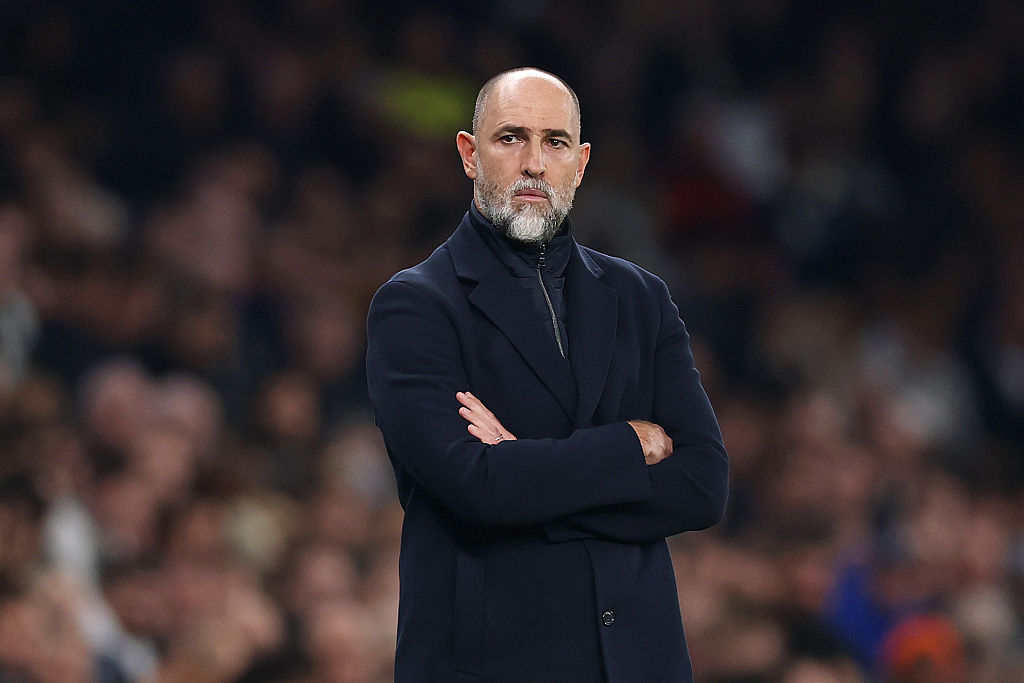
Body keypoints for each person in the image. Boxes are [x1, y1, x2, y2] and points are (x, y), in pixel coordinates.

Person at [366, 67, 729, 683]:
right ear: (468, 154)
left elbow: (703, 484)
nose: (534, 163)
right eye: (511, 138)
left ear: (581, 163)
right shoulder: (416, 305)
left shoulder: (641, 298)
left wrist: (522, 469)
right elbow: (474, 486)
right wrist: (625, 448)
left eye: (555, 142)